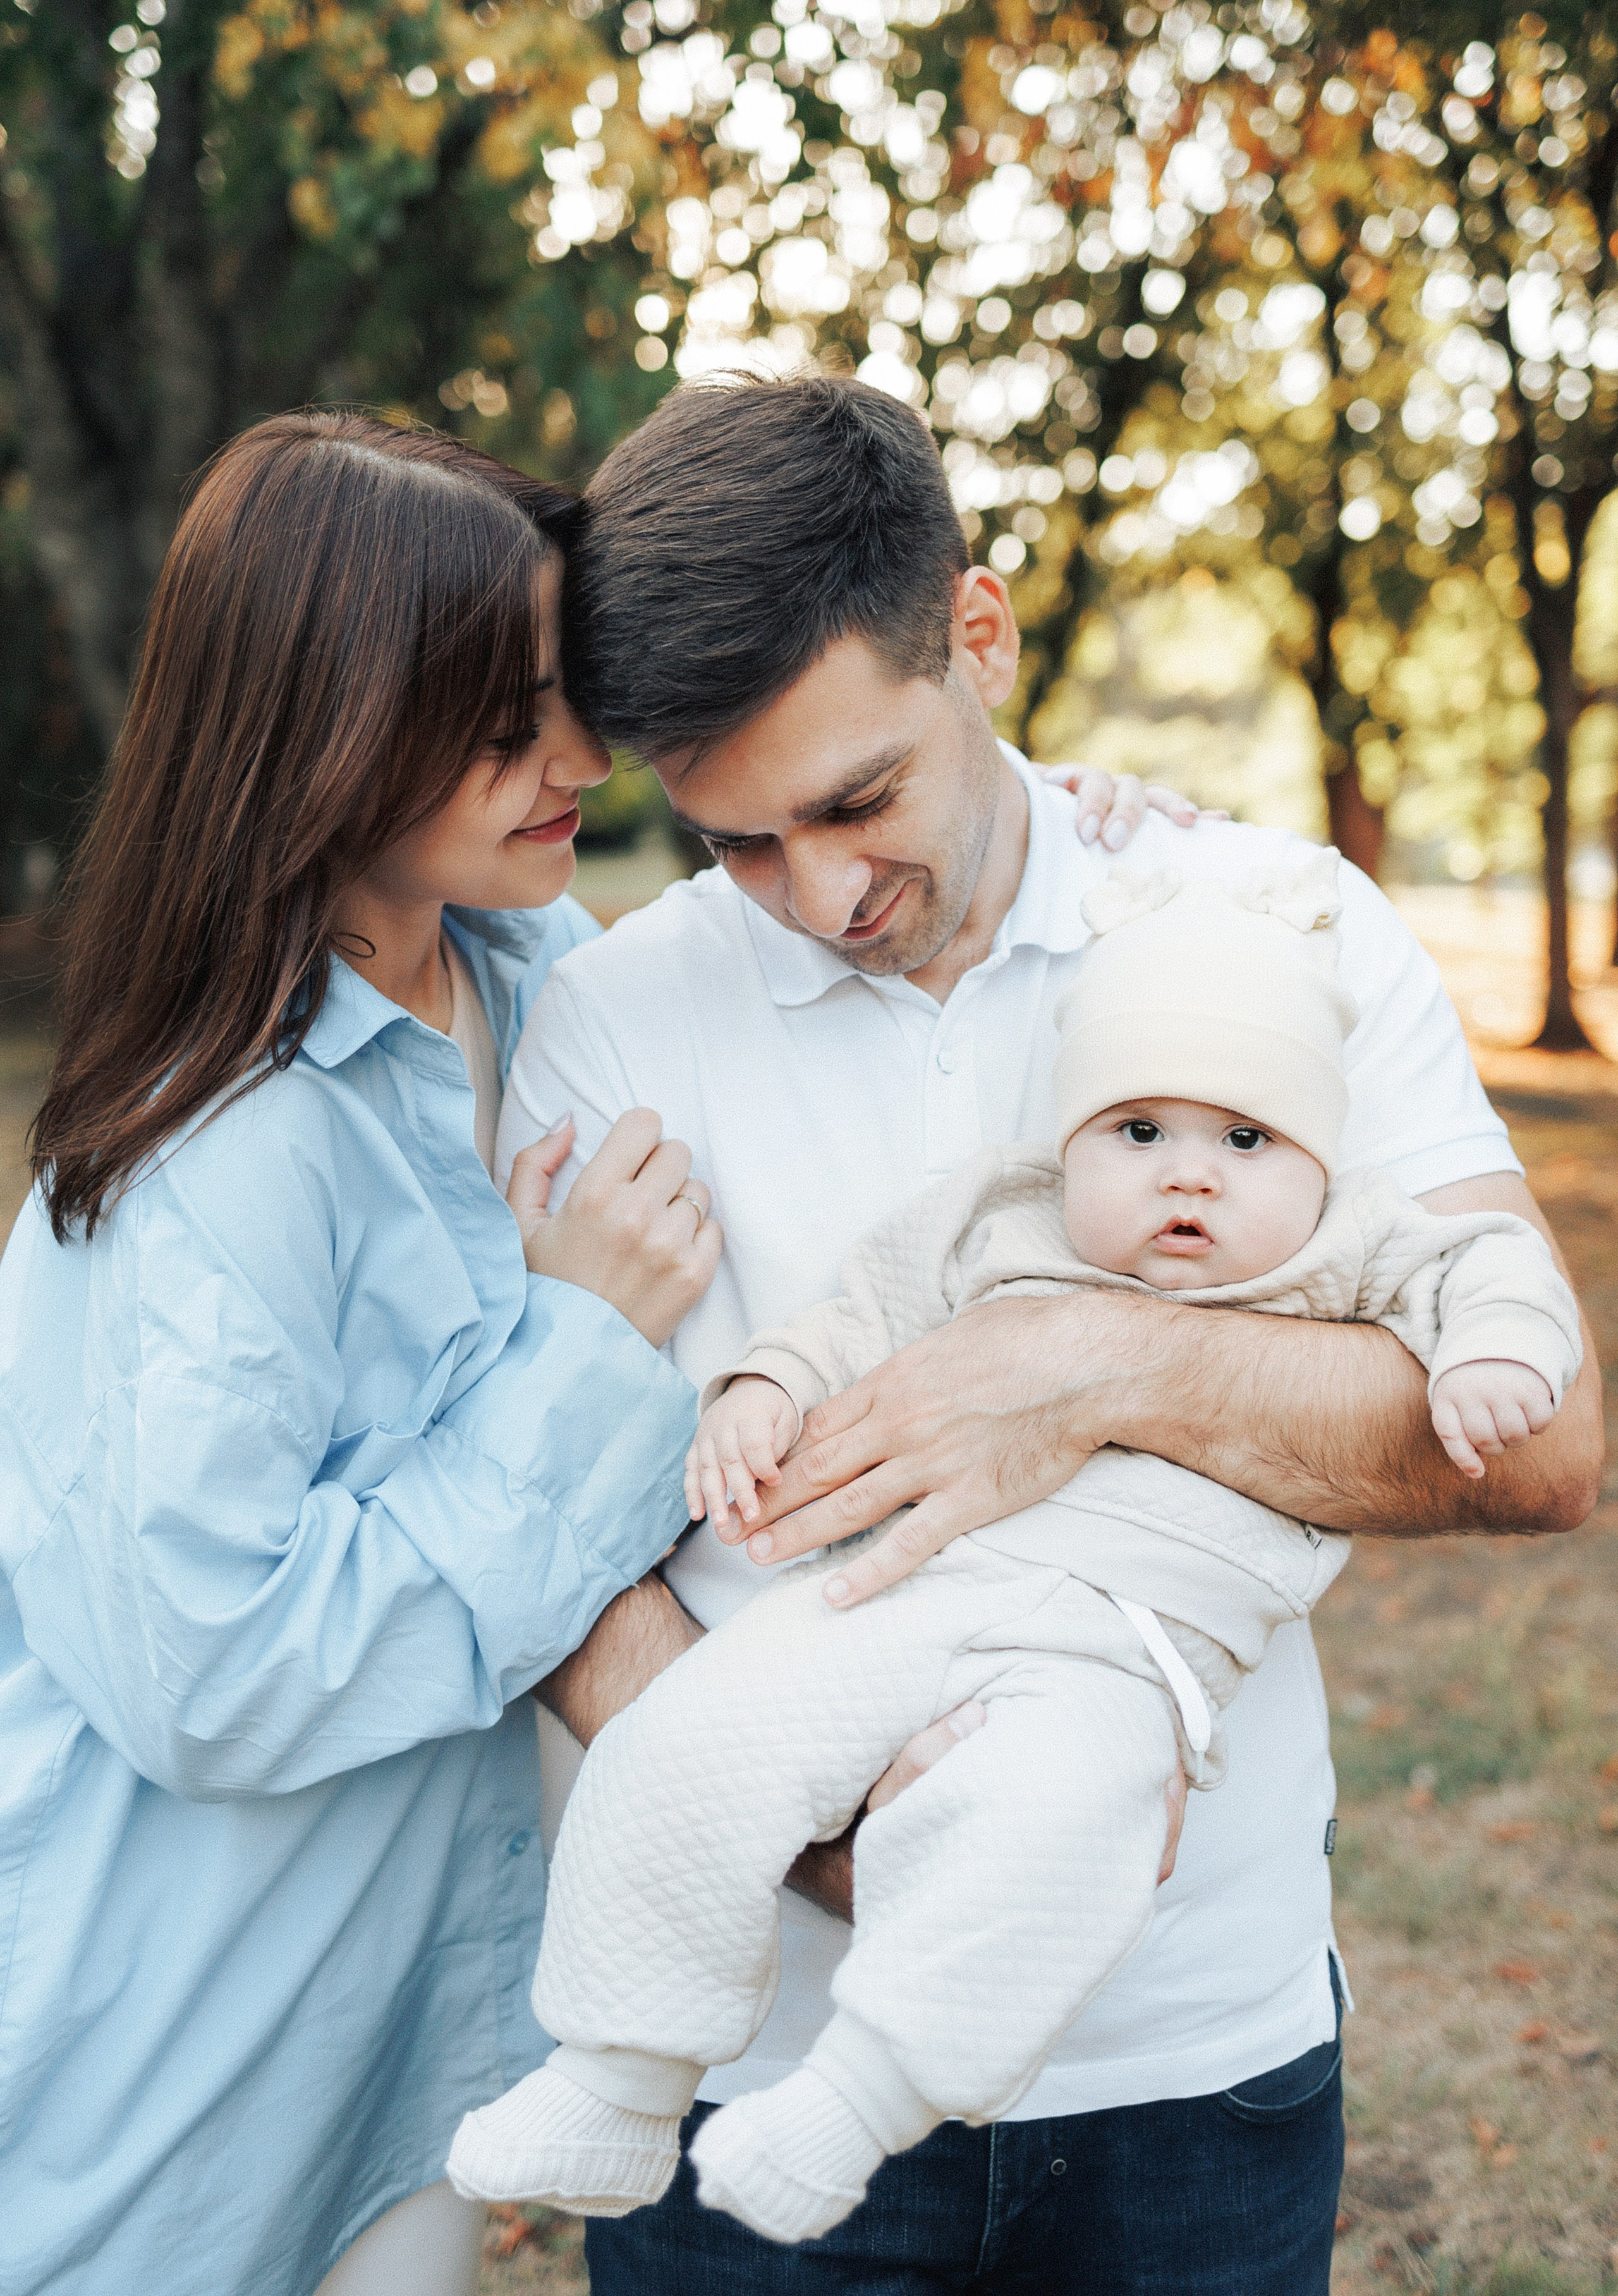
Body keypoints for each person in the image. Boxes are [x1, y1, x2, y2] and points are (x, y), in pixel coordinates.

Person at [493, 373, 1603, 2295]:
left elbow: (1547, 1449)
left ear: (980, 637)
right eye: (737, 843)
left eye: (859, 800)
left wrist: (1091, 1371)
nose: (821, 896)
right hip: (750, 2052)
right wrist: (852, 1860)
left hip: (1193, 2057)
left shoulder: (1275, 930)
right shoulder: (609, 1021)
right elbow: (550, 1531)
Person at [450, 848, 1581, 2246]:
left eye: (1243, 1143)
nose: (1188, 1178)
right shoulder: (1004, 1214)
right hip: (893, 1588)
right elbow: (851, 1315)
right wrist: (759, 1392)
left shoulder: (1343, 1245)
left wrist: (1489, 1353)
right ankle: (617, 2073)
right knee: (689, 1744)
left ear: (1311, 1155)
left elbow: (1490, 1273)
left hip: (1116, 1649)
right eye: (1137, 1132)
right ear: (1071, 1135)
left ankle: (856, 2099)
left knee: (1042, 1834)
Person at [0, 411, 721, 2296]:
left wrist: (1075, 834)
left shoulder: (525, 972)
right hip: (183, 2053)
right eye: (510, 719)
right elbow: (214, 1668)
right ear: (328, 721)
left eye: (574, 695)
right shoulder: (223, 1146)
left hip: (421, 2008)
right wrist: (571, 1354)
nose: (581, 758)